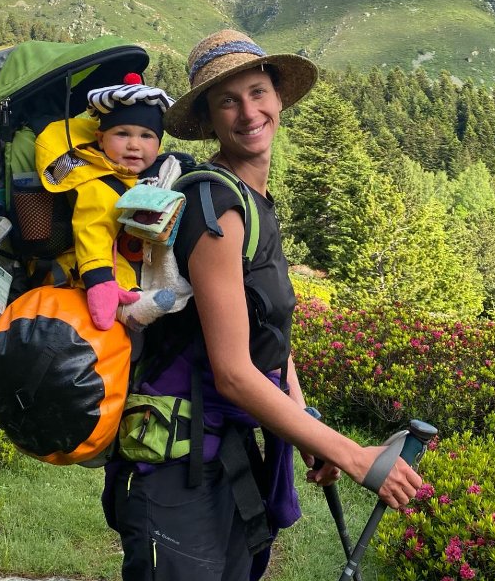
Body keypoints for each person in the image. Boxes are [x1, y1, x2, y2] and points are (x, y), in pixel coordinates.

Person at [103, 30, 422, 581]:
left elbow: (268, 336)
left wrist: (303, 426)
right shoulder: (216, 207)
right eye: (228, 100)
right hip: (178, 467)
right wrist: (352, 456)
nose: (248, 111)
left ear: (278, 98)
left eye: (257, 92)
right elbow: (232, 373)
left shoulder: (254, 204)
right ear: (209, 117)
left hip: (223, 458)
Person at [35, 72, 176, 330]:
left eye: (146, 136)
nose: (134, 145)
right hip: (78, 260)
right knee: (114, 266)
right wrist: (99, 280)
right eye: (122, 134)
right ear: (101, 139)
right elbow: (94, 230)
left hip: (115, 249)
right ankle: (127, 306)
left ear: (159, 144)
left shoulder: (125, 170)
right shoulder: (97, 181)